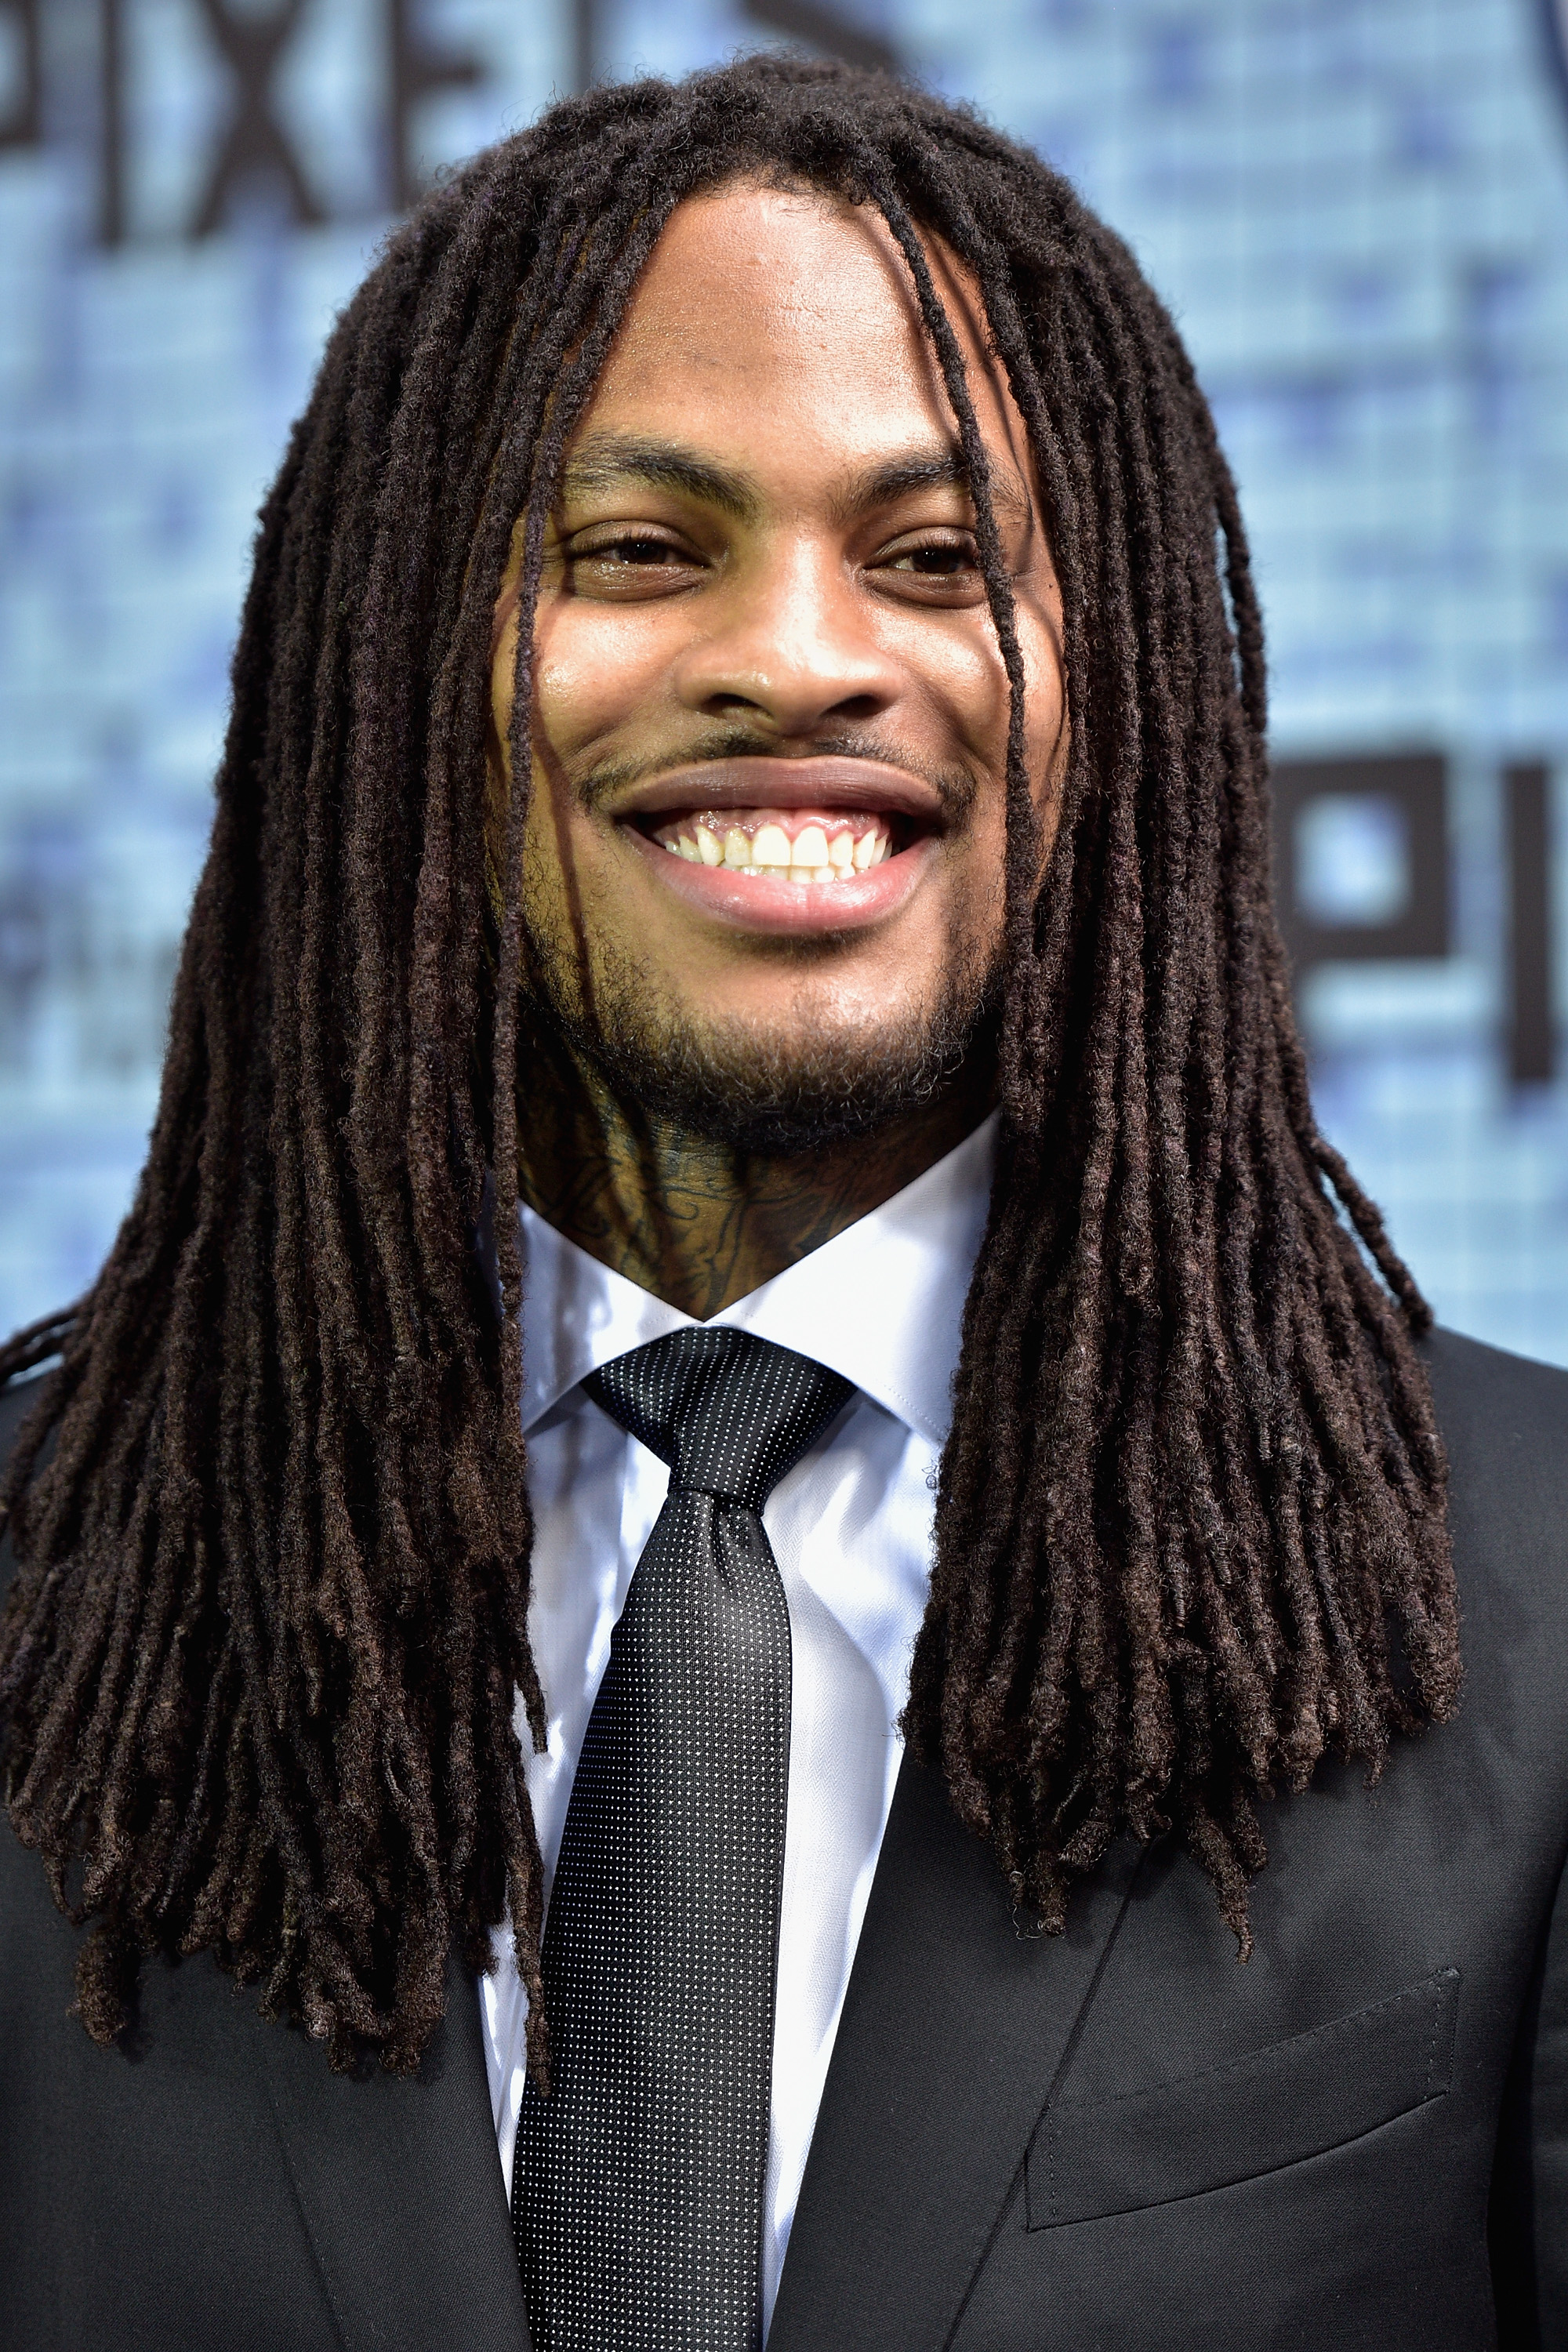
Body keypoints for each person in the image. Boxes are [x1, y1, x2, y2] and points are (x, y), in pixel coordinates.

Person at [0, 55, 1564, 2352]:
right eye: (641, 549)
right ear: (390, 670)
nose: (806, 659)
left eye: (935, 563)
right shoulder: (47, 1604)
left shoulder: (1542, 1588)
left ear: (1120, 687)